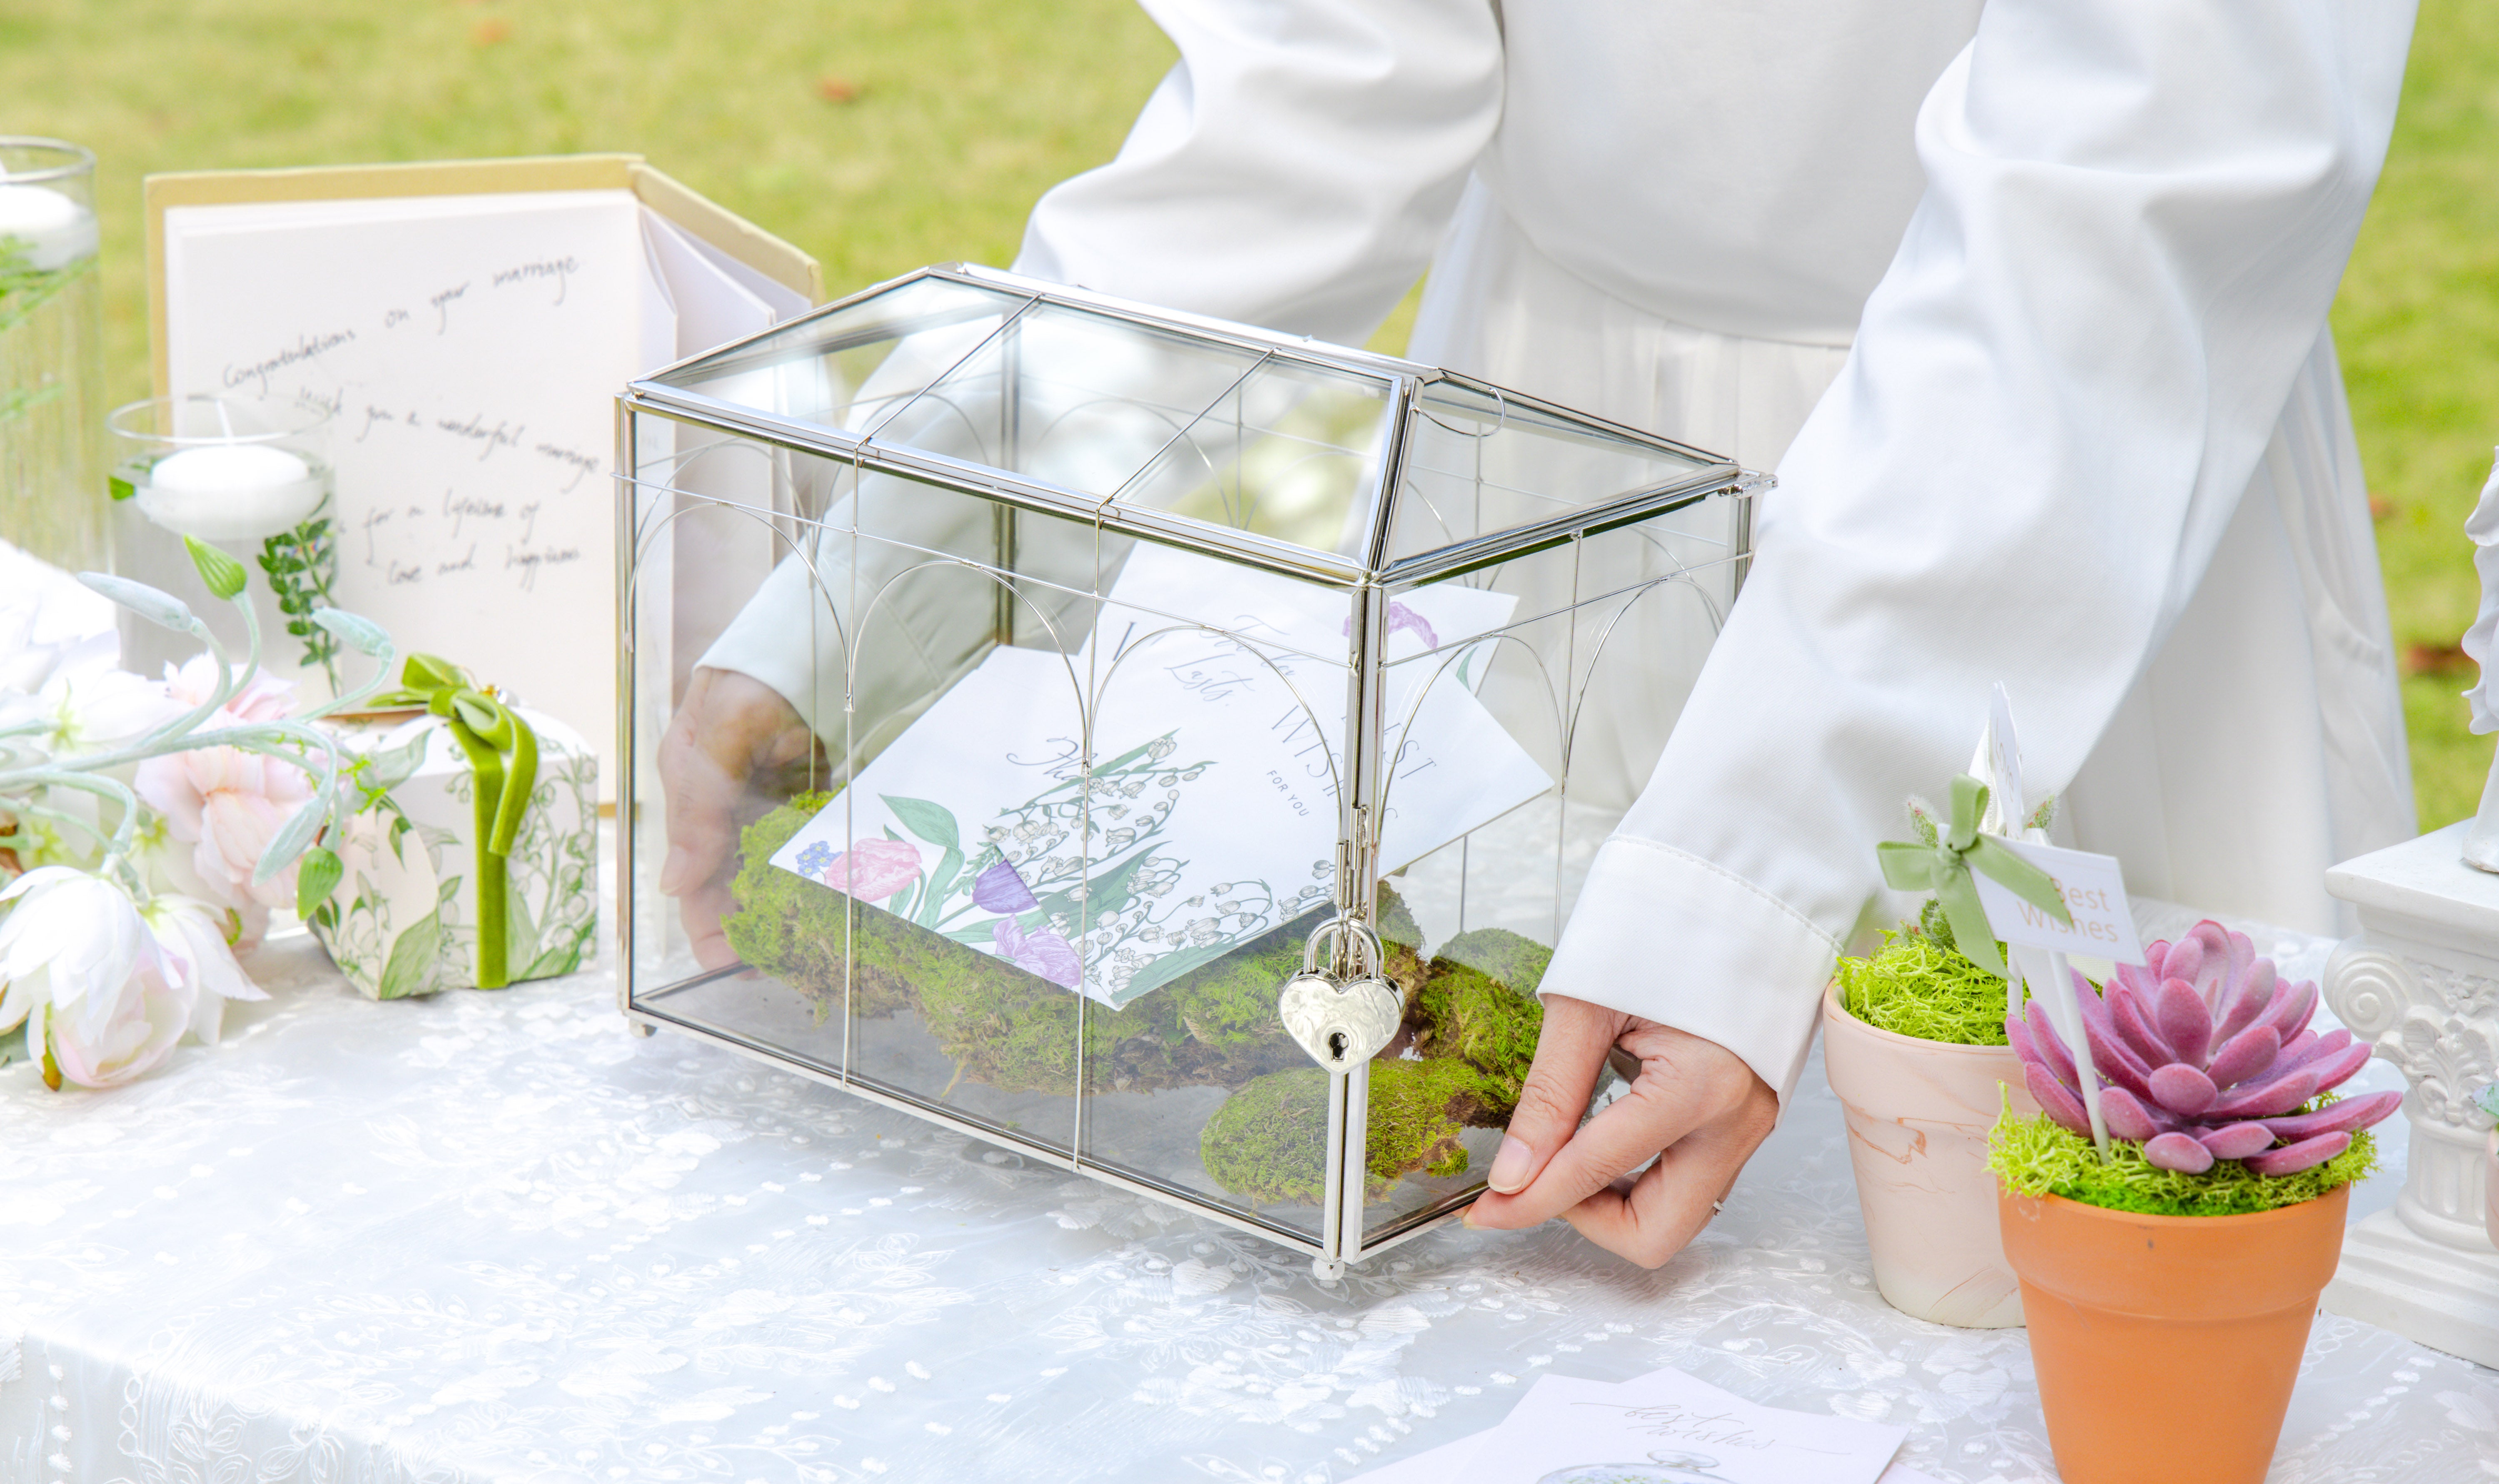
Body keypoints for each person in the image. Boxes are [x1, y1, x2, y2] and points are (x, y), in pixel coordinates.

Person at [667, 0, 2419, 1268]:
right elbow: (1322, 81)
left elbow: (2148, 178)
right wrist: (866, 596)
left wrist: (1748, 869)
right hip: (1550, 455)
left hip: (2066, 503)